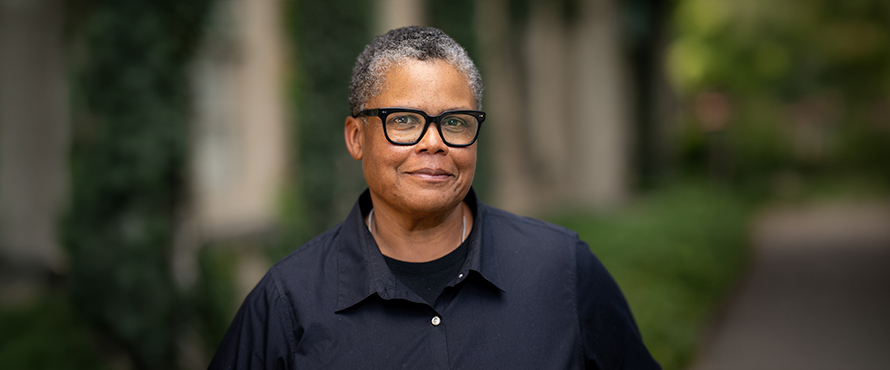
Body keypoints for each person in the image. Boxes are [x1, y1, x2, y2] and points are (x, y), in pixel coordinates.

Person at [208, 26, 660, 370]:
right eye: (404, 120)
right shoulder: (288, 302)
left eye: (456, 122)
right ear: (355, 138)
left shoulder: (563, 269)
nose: (433, 143)